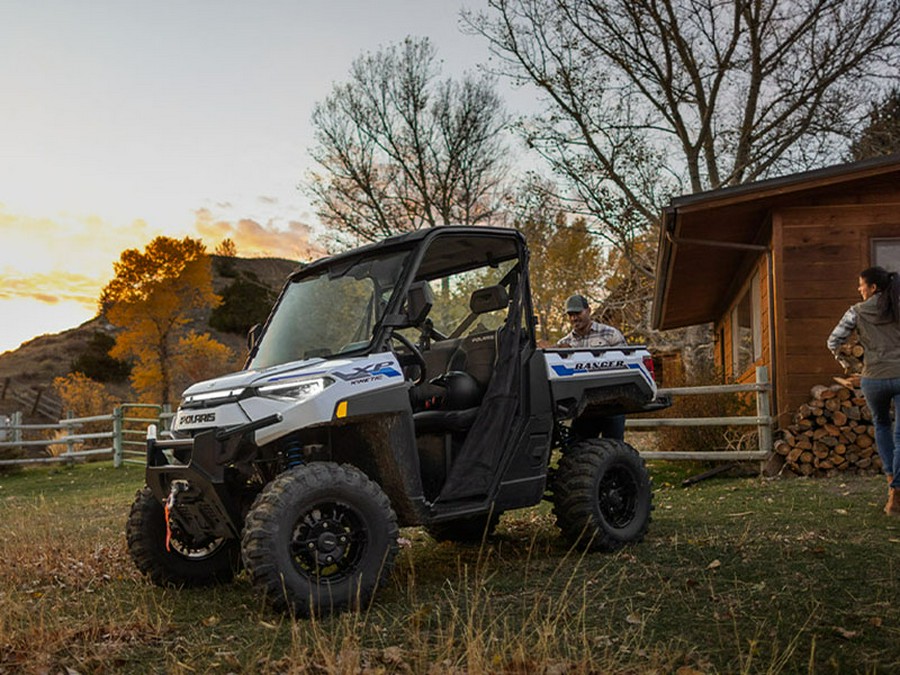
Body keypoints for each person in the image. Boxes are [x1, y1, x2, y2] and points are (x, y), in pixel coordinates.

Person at [827, 266, 900, 516]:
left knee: (881, 426)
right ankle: (896, 493)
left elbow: (833, 341)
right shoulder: (898, 306)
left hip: (873, 379)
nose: (859, 289)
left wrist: (851, 364)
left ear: (873, 288)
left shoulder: (856, 312)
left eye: (861, 285)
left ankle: (892, 484)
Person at [557, 294, 628, 441]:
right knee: (577, 449)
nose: (574, 318)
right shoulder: (564, 343)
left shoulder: (610, 334)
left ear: (588, 310)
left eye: (577, 313)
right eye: (570, 314)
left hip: (612, 403)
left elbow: (626, 363)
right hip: (584, 409)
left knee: (614, 446)